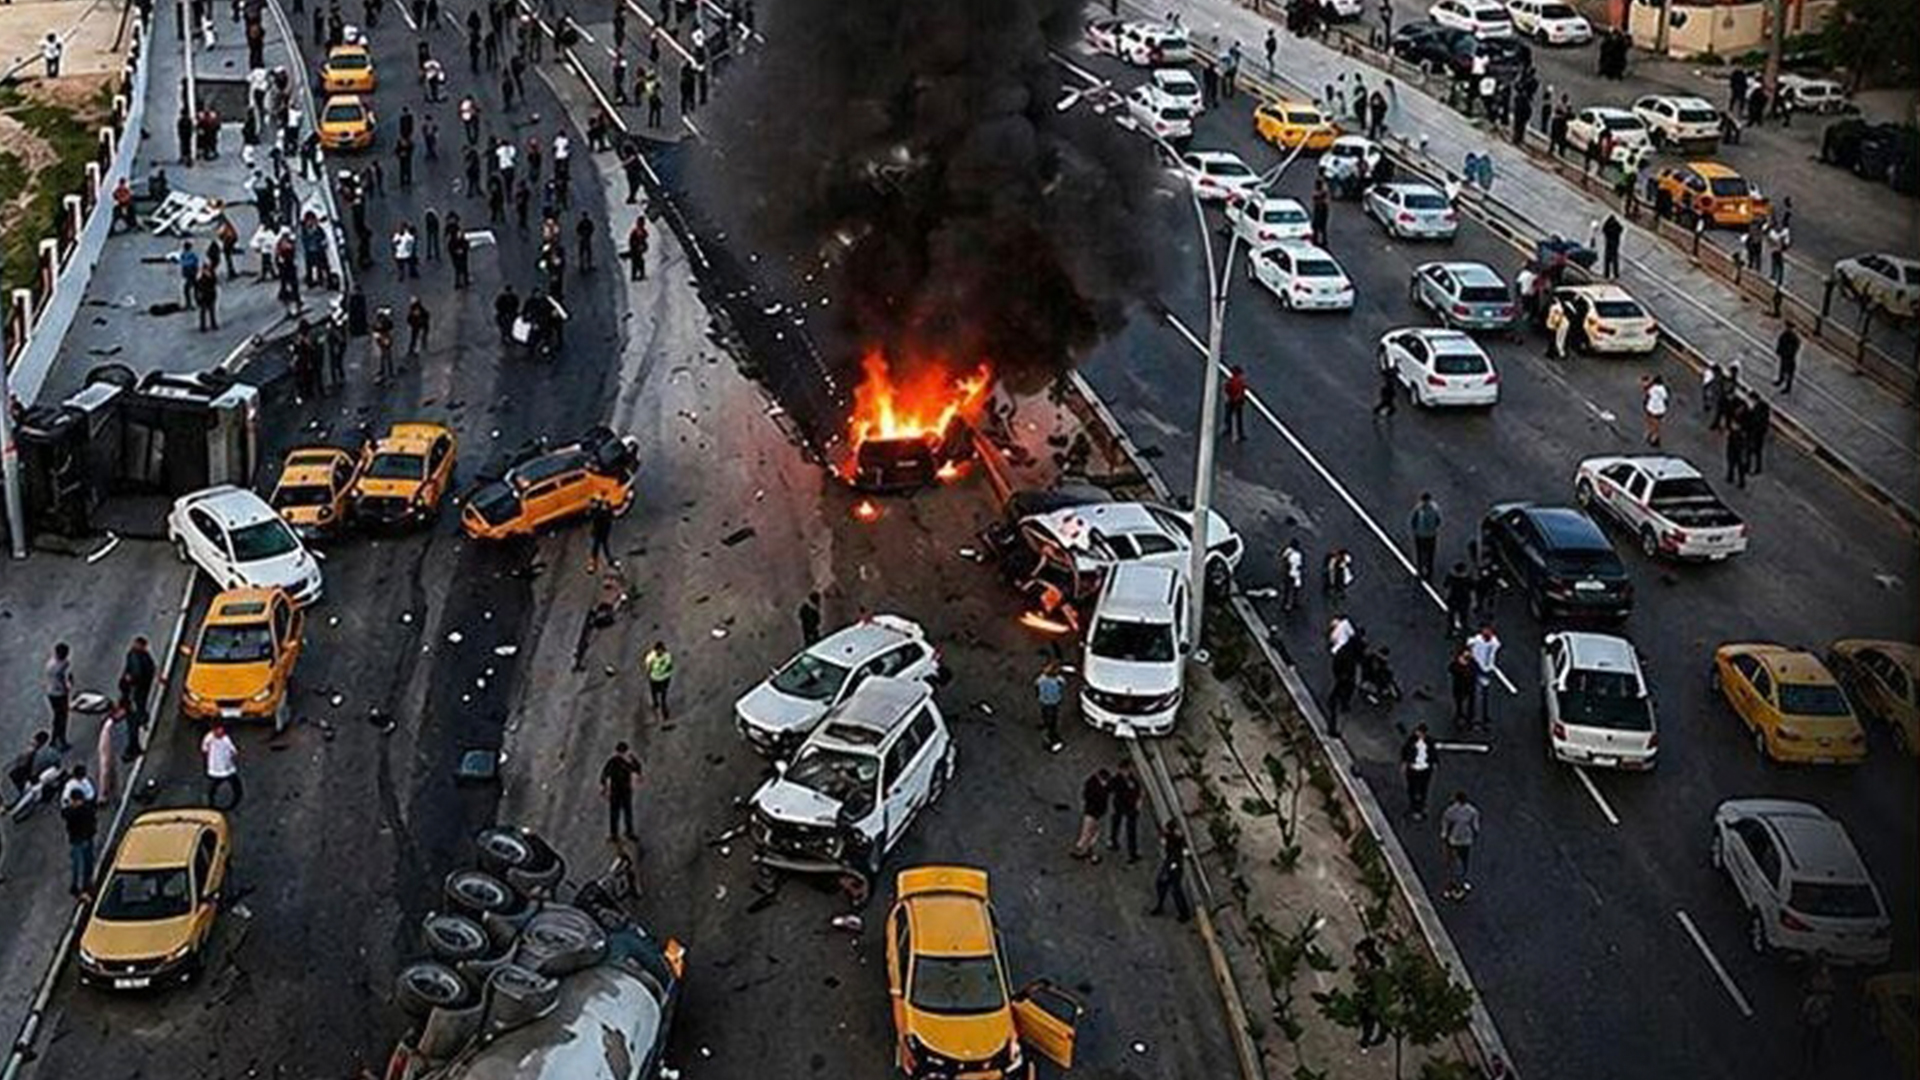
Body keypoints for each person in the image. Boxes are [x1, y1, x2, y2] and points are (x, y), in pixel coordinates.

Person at [1147, 820, 1192, 921]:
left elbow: (1184, 852)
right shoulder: (1170, 836)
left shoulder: (1178, 839)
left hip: (1175, 865)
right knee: (1162, 884)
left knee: (1175, 889)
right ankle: (1162, 906)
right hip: (1170, 863)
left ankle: (1184, 913)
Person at [1440, 791, 1480, 901]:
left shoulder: (1451, 810)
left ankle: (1450, 886)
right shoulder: (1472, 811)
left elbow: (1445, 824)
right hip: (1466, 841)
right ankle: (1462, 883)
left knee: (1451, 863)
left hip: (1453, 840)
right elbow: (1476, 827)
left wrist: (1444, 836)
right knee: (1464, 862)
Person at [120, 636, 156, 759]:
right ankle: (143, 718)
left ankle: (133, 748)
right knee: (134, 721)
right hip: (139, 694)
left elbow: (135, 675)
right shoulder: (143, 657)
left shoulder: (135, 657)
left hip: (135, 695)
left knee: (132, 724)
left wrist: (128, 682)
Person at [1798, 956, 1834, 1074]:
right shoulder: (1817, 980)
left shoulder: (1822, 980)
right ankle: (1810, 1063)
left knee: (1815, 1041)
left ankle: (1812, 1063)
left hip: (1818, 1017)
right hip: (1815, 1016)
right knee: (1812, 1041)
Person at [600, 742, 642, 840]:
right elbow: (605, 774)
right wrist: (603, 786)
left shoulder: (630, 760)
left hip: (626, 790)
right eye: (621, 752)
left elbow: (637, 768)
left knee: (628, 812)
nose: (622, 754)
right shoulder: (613, 762)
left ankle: (629, 832)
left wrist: (631, 762)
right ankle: (614, 833)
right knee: (614, 813)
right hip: (615, 790)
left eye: (624, 752)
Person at [1070, 767, 1109, 862]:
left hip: (1097, 813)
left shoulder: (1097, 784)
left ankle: (1086, 850)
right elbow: (1089, 796)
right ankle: (1082, 851)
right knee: (1087, 832)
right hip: (1092, 812)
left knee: (1093, 832)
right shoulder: (1092, 785)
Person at [63, 790, 97, 897]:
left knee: (81, 863)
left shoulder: (71, 812)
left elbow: (65, 814)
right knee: (85, 862)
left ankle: (81, 885)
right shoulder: (87, 808)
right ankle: (83, 884)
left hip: (79, 839)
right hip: (84, 838)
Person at [1108, 758, 1142, 862]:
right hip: (1120, 805)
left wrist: (1138, 804)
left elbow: (1138, 792)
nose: (1127, 772)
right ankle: (1113, 842)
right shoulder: (1116, 780)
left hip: (1131, 807)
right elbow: (1109, 789)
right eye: (1125, 770)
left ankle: (1133, 853)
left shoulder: (1132, 780)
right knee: (1116, 824)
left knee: (1131, 830)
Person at [1468, 623, 1500, 728]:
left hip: (1486, 669)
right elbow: (1469, 643)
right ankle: (1473, 718)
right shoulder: (1477, 640)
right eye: (1485, 631)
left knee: (1484, 695)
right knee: (1475, 693)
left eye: (1489, 631)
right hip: (1476, 667)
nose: (1487, 633)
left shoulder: (1494, 643)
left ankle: (1483, 717)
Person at [203, 723, 241, 809]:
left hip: (226, 766)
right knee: (215, 784)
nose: (219, 732)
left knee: (232, 784)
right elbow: (205, 749)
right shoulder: (209, 738)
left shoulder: (226, 740)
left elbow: (233, 751)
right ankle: (211, 801)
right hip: (216, 767)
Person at [1401, 724, 1434, 819]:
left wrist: (1433, 763)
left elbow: (1432, 753)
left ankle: (1421, 806)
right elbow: (1405, 751)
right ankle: (1413, 806)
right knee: (1412, 788)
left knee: (1423, 788)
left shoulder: (1429, 741)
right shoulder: (1411, 740)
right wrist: (1405, 762)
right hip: (1413, 768)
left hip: (1425, 768)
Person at [45, 642, 74, 751]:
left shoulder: (50, 663)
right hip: (60, 694)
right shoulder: (63, 665)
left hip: (51, 693)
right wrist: (70, 684)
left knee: (57, 717)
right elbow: (67, 682)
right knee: (62, 718)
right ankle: (61, 740)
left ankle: (54, 739)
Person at [1408, 493, 1441, 581]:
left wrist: (1415, 529)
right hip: (1431, 535)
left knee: (1420, 553)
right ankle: (1429, 571)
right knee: (1430, 553)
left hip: (1420, 534)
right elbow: (1438, 521)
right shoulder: (1435, 508)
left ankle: (1420, 571)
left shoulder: (1419, 508)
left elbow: (1413, 520)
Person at [1035, 662, 1066, 753]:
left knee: (1045, 713)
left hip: (1045, 700)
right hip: (1053, 701)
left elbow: (1036, 686)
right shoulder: (1058, 680)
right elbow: (1062, 685)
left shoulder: (1042, 679)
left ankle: (1048, 727)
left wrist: (1039, 695)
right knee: (1052, 716)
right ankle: (1051, 729)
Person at [1448, 645, 1477, 729]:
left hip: (1470, 687)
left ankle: (1470, 718)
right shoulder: (1457, 664)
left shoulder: (1472, 663)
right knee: (1459, 702)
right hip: (1459, 687)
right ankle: (1459, 715)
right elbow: (1451, 669)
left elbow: (1474, 672)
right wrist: (1460, 664)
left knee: (1471, 702)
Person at [642, 641, 673, 718]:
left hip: (664, 677)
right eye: (658, 650)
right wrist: (648, 670)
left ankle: (663, 702)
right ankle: (656, 702)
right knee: (654, 691)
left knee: (663, 691)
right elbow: (648, 663)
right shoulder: (652, 656)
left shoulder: (666, 656)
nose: (660, 652)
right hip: (655, 677)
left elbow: (668, 665)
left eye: (661, 650)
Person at [1442, 561, 1474, 636]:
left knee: (1451, 614)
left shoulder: (1451, 577)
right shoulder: (1467, 578)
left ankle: (1451, 630)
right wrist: (1473, 600)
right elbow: (1472, 589)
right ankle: (1464, 628)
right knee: (1463, 614)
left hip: (1453, 598)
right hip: (1464, 598)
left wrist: (1446, 597)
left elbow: (1446, 587)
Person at [586, 497, 617, 573]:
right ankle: (595, 563)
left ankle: (608, 560)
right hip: (598, 531)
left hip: (603, 531)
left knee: (602, 547)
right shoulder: (596, 511)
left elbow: (610, 516)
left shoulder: (602, 511)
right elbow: (591, 516)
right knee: (596, 548)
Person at [1745, 395, 1772, 476]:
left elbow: (1755, 421)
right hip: (1758, 434)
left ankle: (1750, 467)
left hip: (1755, 434)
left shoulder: (1757, 409)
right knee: (1756, 452)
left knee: (1751, 451)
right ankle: (1756, 467)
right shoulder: (1763, 407)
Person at [1222, 365, 1248, 442]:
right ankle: (1239, 434)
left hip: (1232, 401)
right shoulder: (1239, 383)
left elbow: (1226, 390)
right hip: (1237, 402)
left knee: (1229, 416)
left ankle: (1228, 429)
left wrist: (1227, 398)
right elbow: (1241, 391)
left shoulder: (1230, 381)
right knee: (1238, 418)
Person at [1641, 374, 1668, 447]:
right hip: (1659, 409)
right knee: (1656, 422)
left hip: (1651, 407)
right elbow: (1665, 397)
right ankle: (1654, 435)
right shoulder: (1662, 389)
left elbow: (1647, 394)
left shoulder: (1652, 388)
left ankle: (1652, 433)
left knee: (1651, 421)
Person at [1279, 538, 1305, 613]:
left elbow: (1283, 558)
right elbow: (1299, 565)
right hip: (1293, 573)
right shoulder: (1297, 555)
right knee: (1293, 589)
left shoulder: (1288, 551)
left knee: (1288, 589)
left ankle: (1287, 603)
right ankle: (1290, 603)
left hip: (1289, 573)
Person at [1774, 324, 1799, 393]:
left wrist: (1790, 353)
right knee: (1782, 368)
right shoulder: (1784, 335)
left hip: (1789, 357)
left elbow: (1795, 347)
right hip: (1784, 355)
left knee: (1789, 373)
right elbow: (1780, 342)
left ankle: (1788, 387)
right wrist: (1779, 350)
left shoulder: (1794, 338)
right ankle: (1780, 380)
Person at [1600, 213, 1623, 278]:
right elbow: (1621, 229)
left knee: (1607, 259)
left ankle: (1606, 273)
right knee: (1614, 259)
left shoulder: (1607, 226)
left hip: (1609, 244)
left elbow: (1604, 230)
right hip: (1615, 244)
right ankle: (1616, 273)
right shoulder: (1617, 226)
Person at [627, 216, 649, 281]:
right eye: (640, 223)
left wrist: (644, 248)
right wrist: (635, 246)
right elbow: (631, 241)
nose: (641, 224)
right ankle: (634, 276)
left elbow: (644, 242)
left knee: (640, 262)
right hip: (634, 250)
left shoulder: (643, 231)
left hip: (638, 251)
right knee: (635, 262)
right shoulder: (635, 231)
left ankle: (641, 275)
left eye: (642, 223)